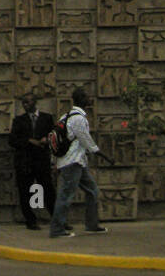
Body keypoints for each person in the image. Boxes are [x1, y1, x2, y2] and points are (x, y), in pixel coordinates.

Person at [48, 88, 108, 239]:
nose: (89, 99)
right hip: (72, 162)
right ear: (81, 99)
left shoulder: (65, 116)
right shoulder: (79, 119)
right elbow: (85, 139)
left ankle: (92, 225)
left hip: (77, 162)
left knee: (92, 191)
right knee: (65, 195)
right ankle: (57, 229)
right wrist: (101, 154)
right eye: (87, 97)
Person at [8, 92, 56, 230]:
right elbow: (12, 140)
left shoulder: (46, 118)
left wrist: (46, 140)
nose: (25, 105)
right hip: (25, 161)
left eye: (28, 102)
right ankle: (30, 220)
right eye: (23, 102)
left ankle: (57, 218)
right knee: (25, 191)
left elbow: (54, 137)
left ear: (35, 103)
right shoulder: (19, 120)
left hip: (41, 160)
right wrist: (29, 141)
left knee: (48, 190)